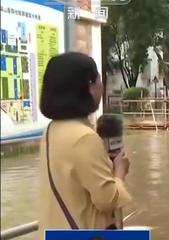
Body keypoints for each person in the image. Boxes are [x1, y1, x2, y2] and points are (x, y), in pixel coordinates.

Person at [39, 52, 133, 230]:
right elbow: (107, 199)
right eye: (98, 79)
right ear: (89, 87)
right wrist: (120, 171)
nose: (101, 84)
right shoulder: (85, 138)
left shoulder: (51, 131)